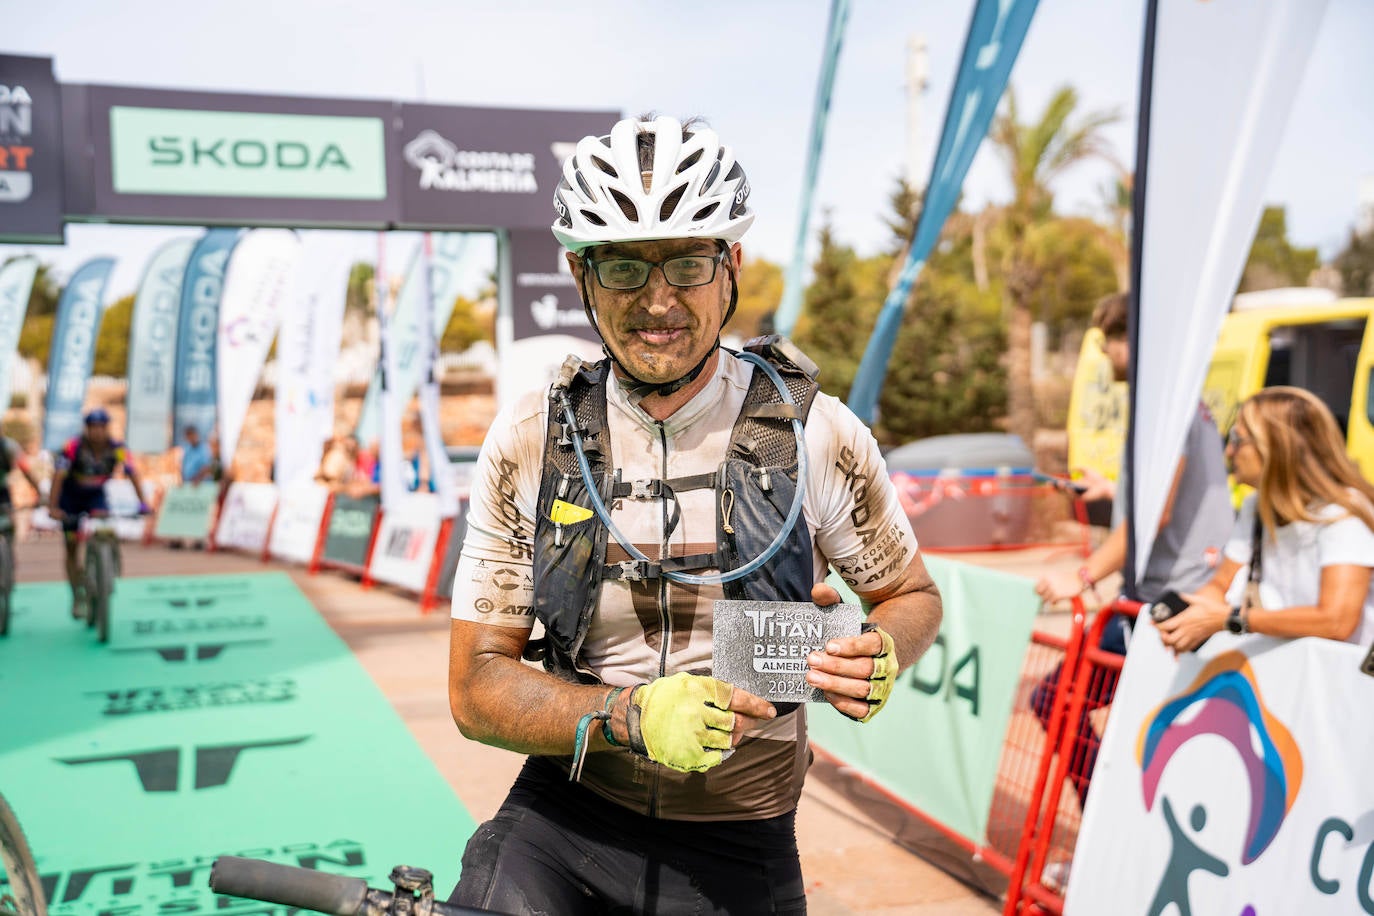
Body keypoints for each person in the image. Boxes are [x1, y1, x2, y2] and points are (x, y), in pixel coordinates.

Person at [446, 115, 943, 915]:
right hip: (567, 818)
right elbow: (475, 688)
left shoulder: (815, 431)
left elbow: (912, 596)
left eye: (685, 263)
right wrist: (624, 714)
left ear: (730, 264)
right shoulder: (532, 437)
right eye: (622, 269)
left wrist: (883, 649)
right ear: (581, 273)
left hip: (740, 838)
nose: (657, 302)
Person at [1031, 292, 1234, 810]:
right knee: (1102, 719)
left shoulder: (1166, 410)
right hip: (1166, 594)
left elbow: (1154, 516)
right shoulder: (1176, 403)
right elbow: (1158, 498)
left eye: (1107, 342)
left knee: (1058, 702)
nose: (1105, 355)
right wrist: (1115, 489)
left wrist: (1083, 575)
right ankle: (1110, 832)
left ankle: (1106, 828)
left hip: (1168, 601)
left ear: (1133, 341)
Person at [1158, 386, 1374, 652]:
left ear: (1278, 445)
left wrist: (1231, 619)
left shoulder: (1342, 514)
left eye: (1238, 439)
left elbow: (1337, 621)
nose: (1229, 451)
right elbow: (1221, 584)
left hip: (1341, 685)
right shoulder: (1256, 506)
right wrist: (1190, 618)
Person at [48, 409, 150, 617]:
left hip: (96, 496)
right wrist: (53, 506)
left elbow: (133, 473)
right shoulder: (72, 447)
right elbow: (58, 476)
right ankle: (77, 594)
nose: (97, 432)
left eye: (102, 427)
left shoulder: (118, 448)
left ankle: (104, 562)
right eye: (93, 427)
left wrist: (143, 503)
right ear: (86, 429)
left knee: (103, 525)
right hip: (70, 499)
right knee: (71, 547)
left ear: (107, 428)